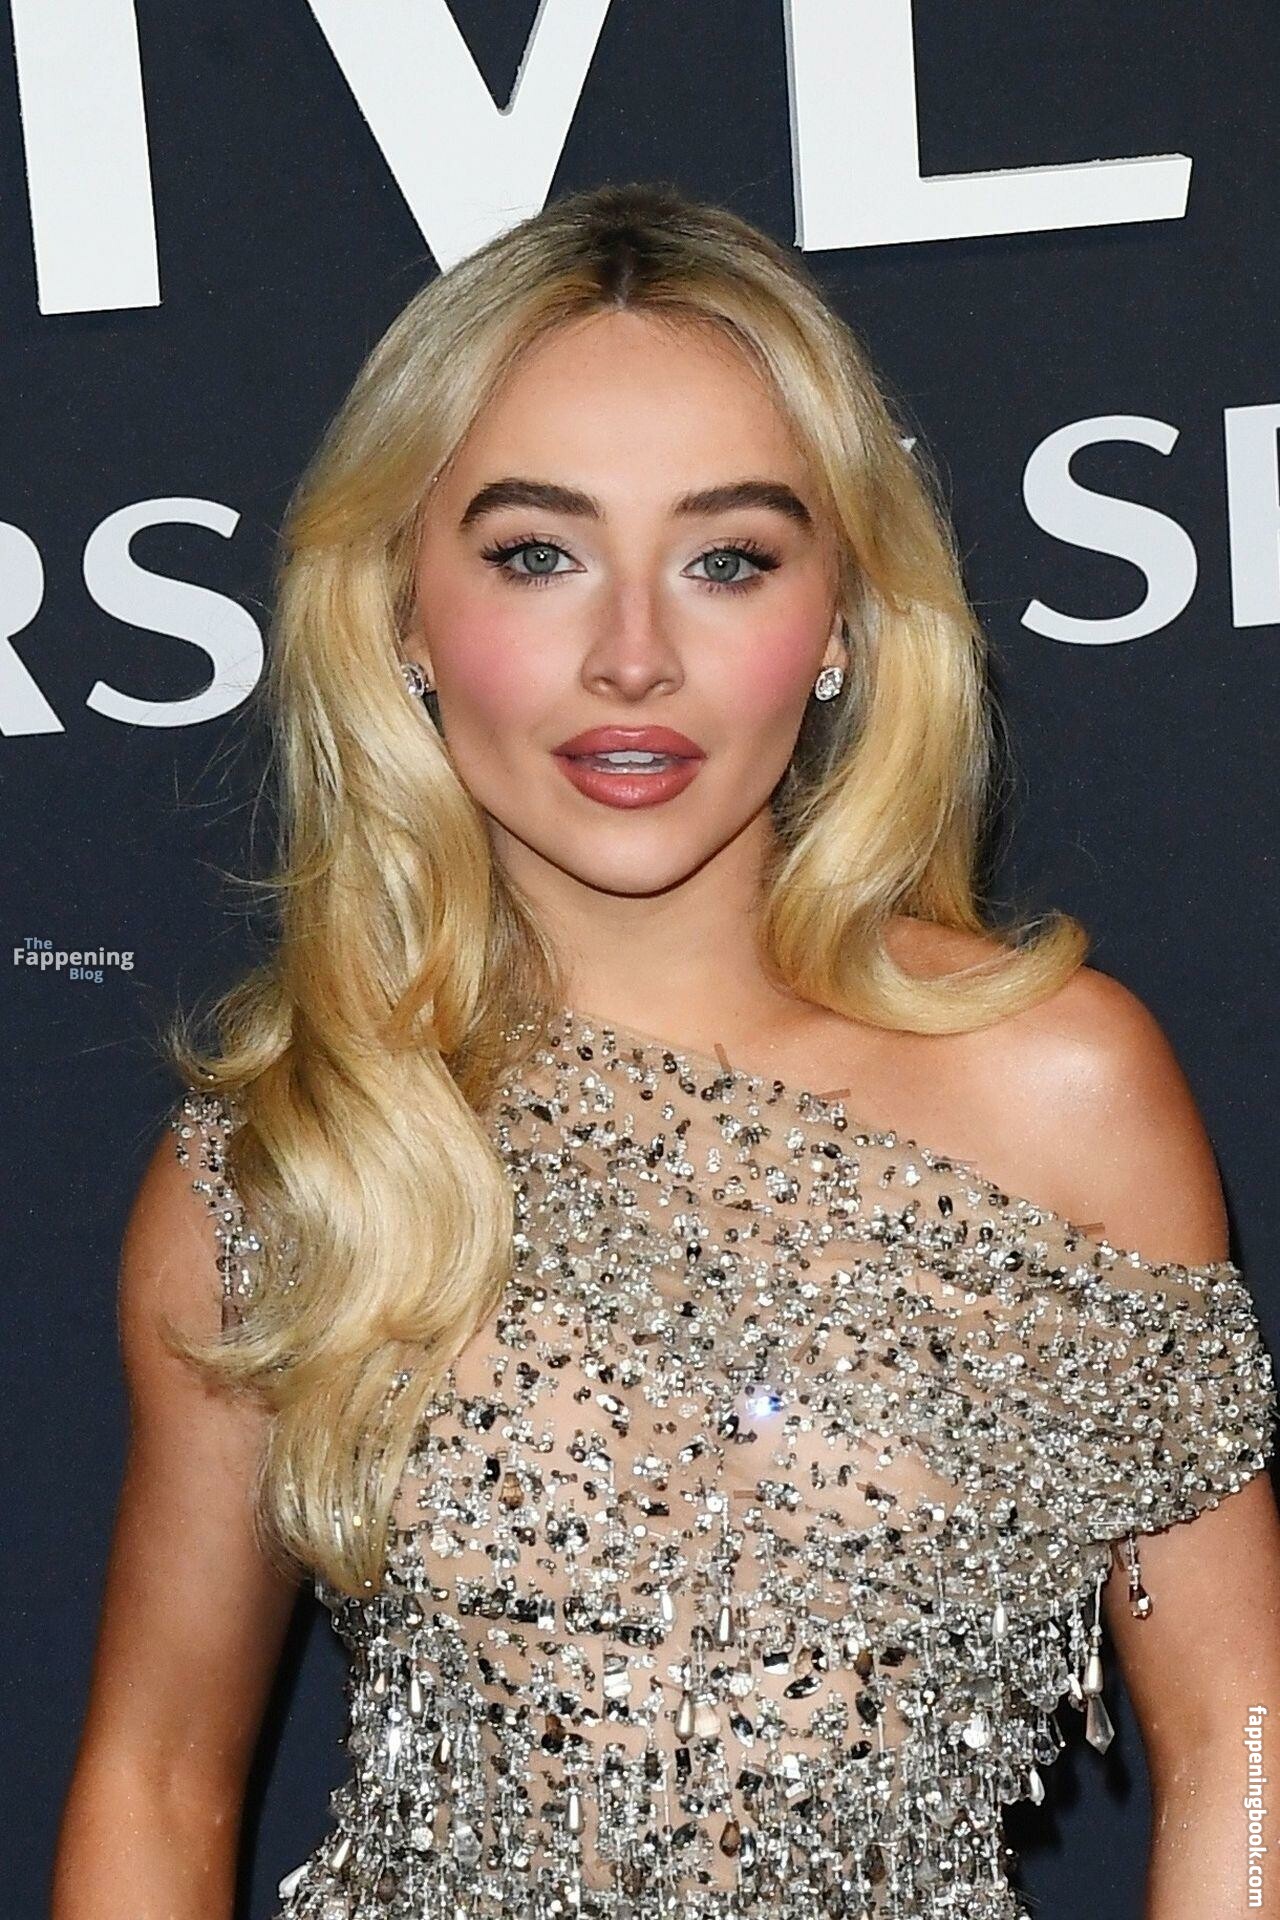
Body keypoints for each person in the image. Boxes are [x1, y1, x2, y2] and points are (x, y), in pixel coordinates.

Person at [53, 182, 1279, 1920]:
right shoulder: (296, 1160)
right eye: (535, 555)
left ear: (842, 617)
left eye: (729, 560)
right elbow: (158, 1776)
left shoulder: (1058, 1091)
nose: (633, 657)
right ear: (400, 611)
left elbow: (1242, 1727)